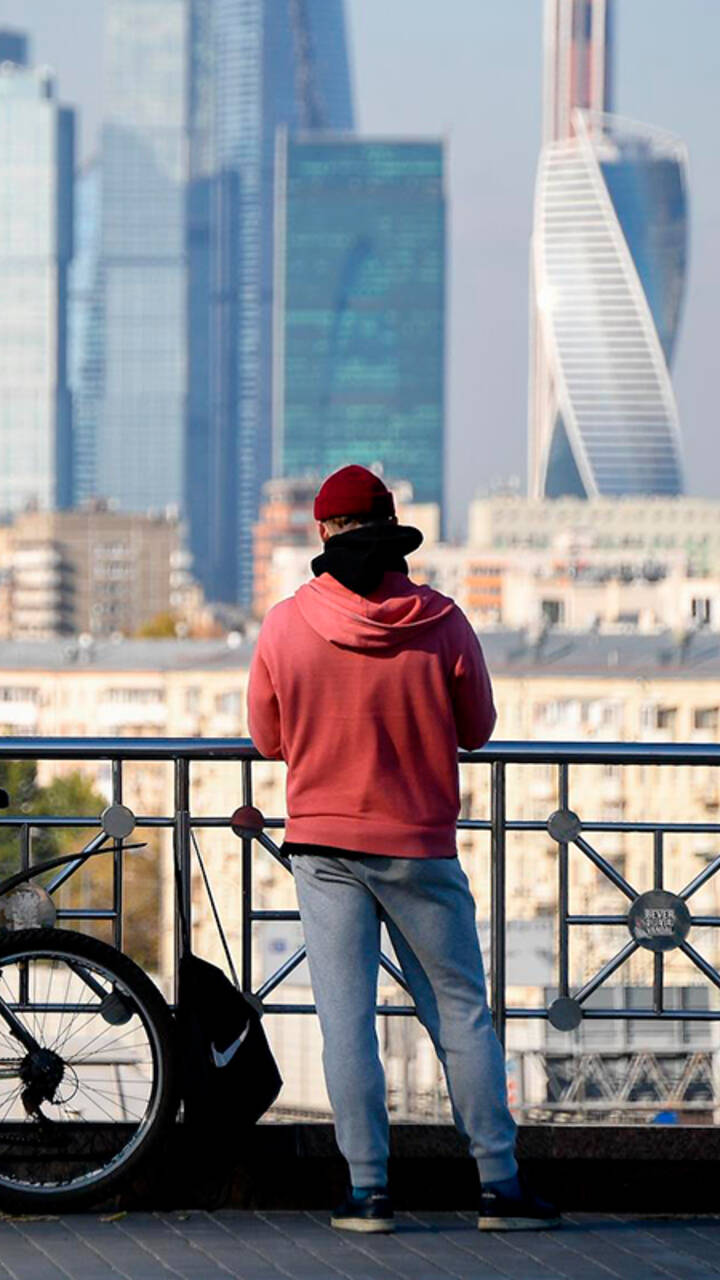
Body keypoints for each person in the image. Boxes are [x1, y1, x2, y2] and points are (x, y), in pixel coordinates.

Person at [246, 464, 559, 1234]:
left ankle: (369, 1192)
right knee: (460, 1012)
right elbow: (478, 729)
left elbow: (267, 739)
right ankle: (498, 1186)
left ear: (321, 531)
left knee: (345, 1020)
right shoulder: (443, 620)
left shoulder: (287, 624)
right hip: (420, 844)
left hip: (323, 845)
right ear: (390, 527)